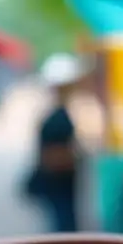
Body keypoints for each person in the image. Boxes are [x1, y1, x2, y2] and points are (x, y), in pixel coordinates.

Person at [31, 54, 85, 233]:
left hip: (58, 185)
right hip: (59, 184)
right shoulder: (58, 118)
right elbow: (53, 156)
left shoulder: (54, 115)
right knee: (64, 227)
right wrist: (76, 157)